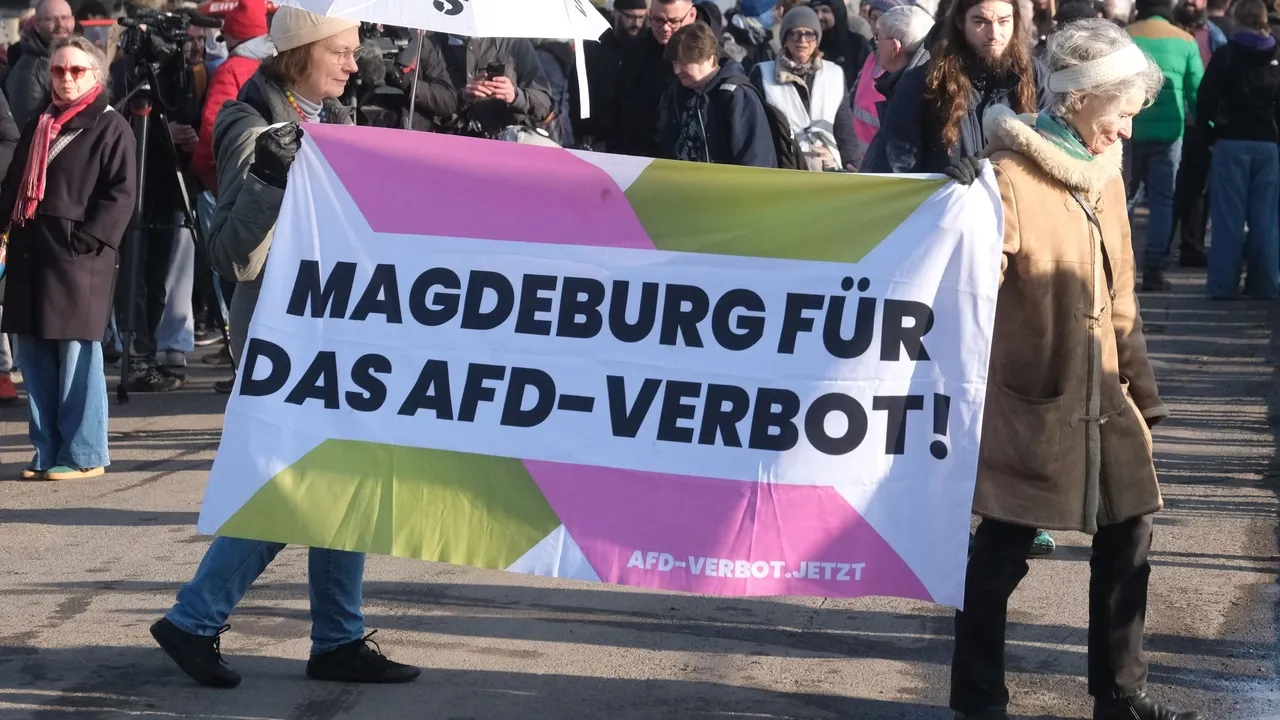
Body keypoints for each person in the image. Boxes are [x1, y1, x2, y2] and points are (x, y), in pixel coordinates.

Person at [150, 6, 419, 689]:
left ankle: (334, 638)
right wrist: (271, 179)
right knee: (302, 485)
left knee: (344, 478)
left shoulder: (338, 122)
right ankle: (196, 618)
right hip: (281, 332)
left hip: (334, 329)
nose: (358, 64)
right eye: (345, 51)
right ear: (301, 56)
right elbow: (232, 254)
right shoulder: (249, 122)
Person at [946, 19, 1205, 720]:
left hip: (1106, 398)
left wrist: (1142, 396)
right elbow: (958, 291)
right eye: (1120, 113)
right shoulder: (1008, 178)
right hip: (1034, 402)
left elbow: (1122, 299)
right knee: (998, 555)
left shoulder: (1107, 177)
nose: (1126, 131)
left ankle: (1120, 696)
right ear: (1080, 100)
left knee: (1131, 525)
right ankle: (976, 701)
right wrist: (956, 215)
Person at [0, 36, 136, 481]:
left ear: (96, 75)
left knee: (77, 358)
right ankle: (46, 451)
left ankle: (84, 454)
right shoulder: (40, 121)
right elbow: (13, 185)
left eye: (77, 70)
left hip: (78, 260)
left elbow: (120, 195)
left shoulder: (111, 125)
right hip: (31, 255)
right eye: (59, 70)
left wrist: (85, 241)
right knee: (35, 359)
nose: (67, 78)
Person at [862, 0, 1045, 174]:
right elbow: (897, 170)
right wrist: (944, 182)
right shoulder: (925, 82)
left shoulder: (1035, 77)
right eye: (980, 22)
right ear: (960, 22)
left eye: (1004, 21)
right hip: (947, 204)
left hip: (1018, 203)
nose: (994, 34)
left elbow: (1059, 155)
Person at [1198, 0, 1280, 299]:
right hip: (1268, 144)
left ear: (1237, 20)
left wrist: (1211, 134)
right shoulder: (1275, 54)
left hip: (1230, 142)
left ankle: (1222, 285)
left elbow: (1205, 97)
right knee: (1266, 220)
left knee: (1228, 220)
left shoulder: (1227, 54)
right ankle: (1266, 283)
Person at [1125, 0, 1203, 291]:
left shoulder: (1124, 36)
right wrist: (1207, 127)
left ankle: (1121, 267)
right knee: (1162, 202)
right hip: (1170, 132)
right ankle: (1154, 270)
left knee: (1124, 199)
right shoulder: (1186, 41)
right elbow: (1198, 91)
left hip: (1128, 130)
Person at [656, 22, 778, 166]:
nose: (677, 71)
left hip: (723, 186)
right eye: (675, 63)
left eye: (685, 63)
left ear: (711, 59)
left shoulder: (737, 95)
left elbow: (756, 159)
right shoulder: (677, 91)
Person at [750, 7, 857, 170]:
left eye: (809, 33)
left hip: (827, 171)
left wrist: (853, 167)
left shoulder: (834, 73)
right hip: (784, 170)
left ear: (817, 39)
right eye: (794, 32)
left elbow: (845, 131)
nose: (802, 39)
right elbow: (758, 133)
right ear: (785, 38)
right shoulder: (762, 74)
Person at [405, 33, 554, 140]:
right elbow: (418, 105)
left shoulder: (514, 43)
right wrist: (461, 97)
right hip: (447, 144)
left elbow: (545, 105)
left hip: (505, 145)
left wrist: (514, 95)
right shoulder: (431, 43)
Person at [192, 0, 273, 194]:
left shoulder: (230, 70)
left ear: (234, 35)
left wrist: (200, 168)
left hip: (231, 176)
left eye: (226, 35)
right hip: (269, 174)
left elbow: (214, 126)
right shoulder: (275, 65)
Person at [607, 0, 698, 157]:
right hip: (633, 162)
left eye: (674, 21)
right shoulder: (636, 52)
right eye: (657, 20)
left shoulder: (710, 59)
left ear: (691, 15)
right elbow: (618, 107)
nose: (665, 28)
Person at [850, 4, 933, 168]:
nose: (876, 45)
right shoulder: (921, 84)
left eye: (878, 37)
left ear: (895, 47)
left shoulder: (908, 96)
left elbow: (898, 167)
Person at [575, 0, 648, 150]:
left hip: (638, 139)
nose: (636, 23)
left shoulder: (647, 50)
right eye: (630, 17)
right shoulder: (595, 50)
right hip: (599, 137)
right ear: (616, 13)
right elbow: (579, 93)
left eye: (641, 18)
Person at [7, 0, 75, 129]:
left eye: (65, 18)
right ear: (37, 25)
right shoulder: (27, 71)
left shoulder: (78, 57)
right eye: (51, 19)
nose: (60, 24)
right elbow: (25, 129)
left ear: (73, 21)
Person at [809, 0, 873, 87]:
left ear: (837, 13)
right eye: (815, 11)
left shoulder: (857, 44)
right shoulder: (807, 45)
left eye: (825, 11)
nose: (819, 16)